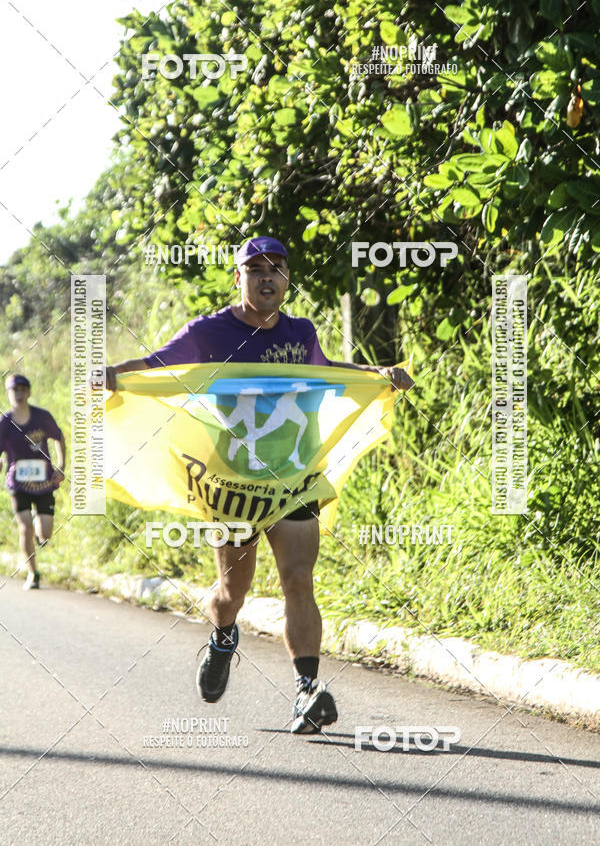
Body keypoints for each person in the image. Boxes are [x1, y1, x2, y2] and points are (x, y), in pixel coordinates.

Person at [105, 236, 413, 733]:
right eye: (255, 269)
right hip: (235, 486)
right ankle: (223, 638)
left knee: (298, 578)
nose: (267, 276)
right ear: (238, 278)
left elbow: (327, 371)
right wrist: (113, 375)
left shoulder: (300, 331)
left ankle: (307, 691)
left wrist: (377, 374)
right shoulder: (209, 332)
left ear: (287, 278)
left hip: (295, 477)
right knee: (233, 590)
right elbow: (157, 365)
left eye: (277, 268)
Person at [0, 374, 66, 590]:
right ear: (8, 394)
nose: (18, 394)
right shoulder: (5, 423)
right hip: (18, 483)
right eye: (14, 390)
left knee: (45, 533)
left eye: (22, 389)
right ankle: (33, 572)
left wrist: (61, 466)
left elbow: (59, 437)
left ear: (28, 392)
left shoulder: (42, 417)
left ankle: (41, 528)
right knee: (25, 526)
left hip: (44, 482)